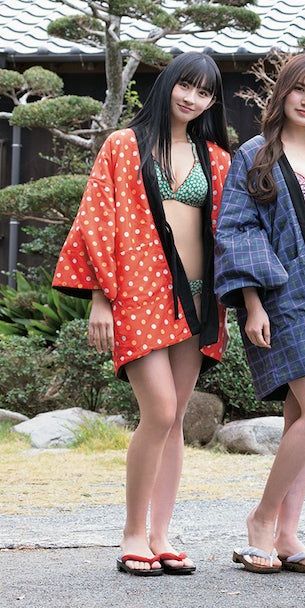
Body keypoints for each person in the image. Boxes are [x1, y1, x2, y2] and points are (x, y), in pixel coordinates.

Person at [55, 52, 231, 577]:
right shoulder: (124, 145)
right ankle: (133, 533)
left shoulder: (217, 158)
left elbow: (232, 230)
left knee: (174, 418)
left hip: (198, 298)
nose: (192, 98)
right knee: (158, 411)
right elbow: (96, 219)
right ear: (168, 84)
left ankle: (160, 535)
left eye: (204, 92)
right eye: (185, 85)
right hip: (138, 293)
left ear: (212, 102)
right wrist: (100, 299)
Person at [215, 52, 305, 574]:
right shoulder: (256, 154)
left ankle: (287, 534)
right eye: (300, 89)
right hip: (286, 296)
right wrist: (252, 303)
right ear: (283, 92)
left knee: (301, 417)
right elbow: (237, 230)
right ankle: (261, 520)